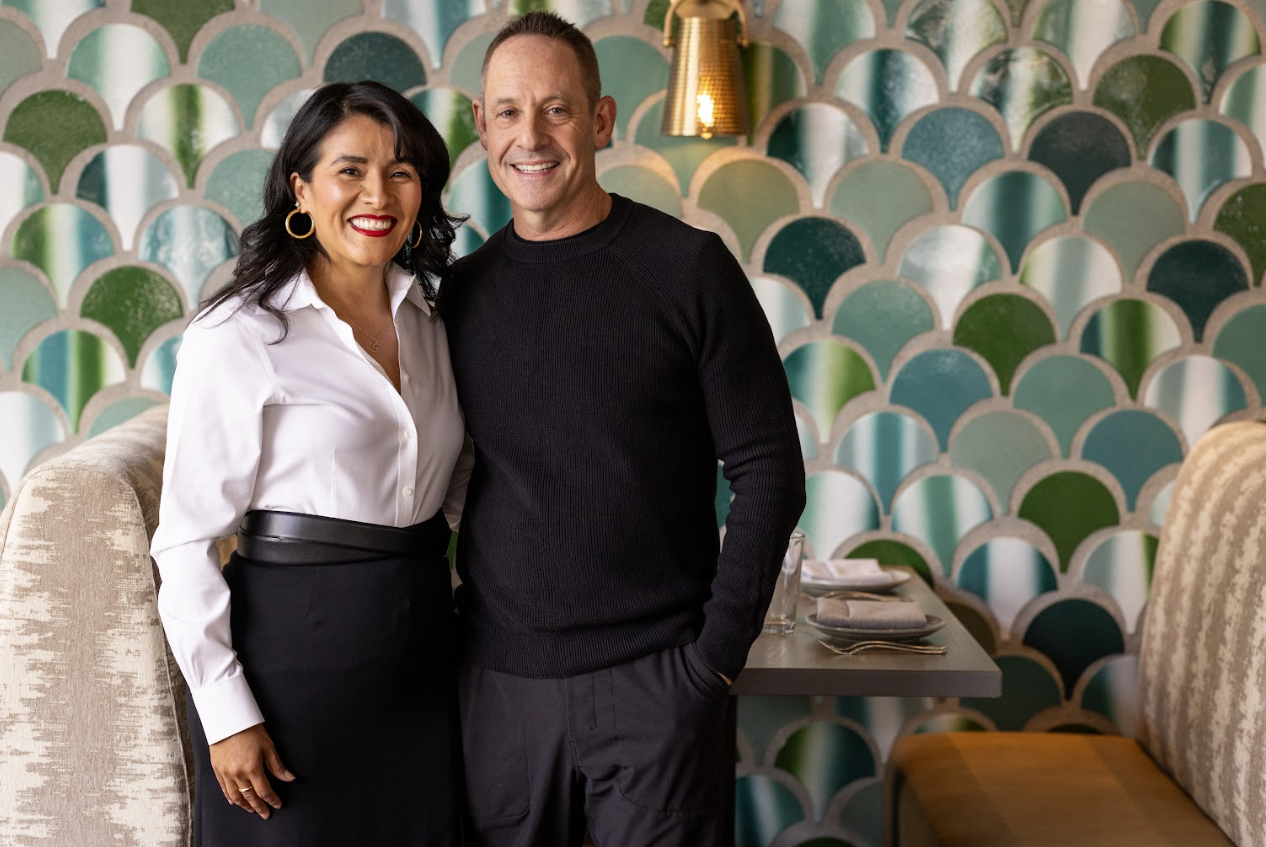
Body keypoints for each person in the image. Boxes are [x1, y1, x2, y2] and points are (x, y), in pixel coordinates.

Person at [441, 12, 807, 847]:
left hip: (657, 686)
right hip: (498, 693)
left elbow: (769, 468)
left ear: (601, 120)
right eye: (507, 111)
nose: (529, 136)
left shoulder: (688, 268)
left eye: (557, 109)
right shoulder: (457, 297)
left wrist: (712, 660)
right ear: (482, 126)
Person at [150, 81, 469, 847]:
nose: (377, 194)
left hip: (425, 663)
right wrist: (227, 714)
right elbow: (186, 543)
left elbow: (458, 486)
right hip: (292, 674)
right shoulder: (239, 332)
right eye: (350, 170)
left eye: (401, 171)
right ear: (302, 187)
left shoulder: (434, 321)